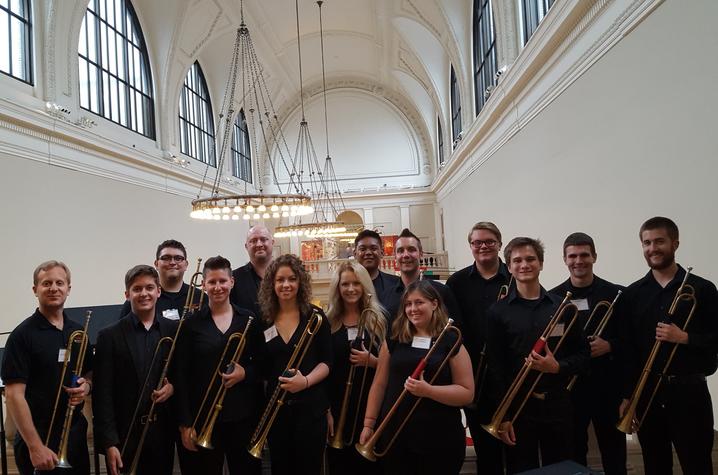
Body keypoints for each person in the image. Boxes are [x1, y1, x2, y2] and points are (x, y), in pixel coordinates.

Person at [617, 217, 718, 474]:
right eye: (647, 242)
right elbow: (628, 351)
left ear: (675, 243)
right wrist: (629, 395)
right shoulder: (632, 295)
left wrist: (684, 337)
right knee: (655, 464)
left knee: (697, 464)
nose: (653, 248)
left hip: (690, 392)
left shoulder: (703, 289)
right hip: (648, 394)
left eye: (659, 241)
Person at [486, 237, 589, 474]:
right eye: (517, 260)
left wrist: (557, 367)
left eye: (530, 259)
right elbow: (496, 368)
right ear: (509, 267)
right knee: (521, 469)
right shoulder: (497, 312)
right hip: (519, 409)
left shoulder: (563, 307)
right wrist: (504, 416)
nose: (524, 265)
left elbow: (583, 355)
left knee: (561, 469)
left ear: (541, 263)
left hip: (558, 405)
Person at [358, 280, 473, 475]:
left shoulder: (452, 341)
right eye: (408, 304)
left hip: (440, 436)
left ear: (434, 304)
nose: (413, 309)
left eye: (419, 302)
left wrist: (428, 390)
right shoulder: (394, 340)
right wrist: (368, 424)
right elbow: (379, 384)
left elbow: (467, 393)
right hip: (395, 435)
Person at [175, 256, 263, 475]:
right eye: (212, 282)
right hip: (203, 419)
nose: (217, 287)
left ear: (232, 282)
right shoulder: (191, 324)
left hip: (244, 418)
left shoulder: (248, 319)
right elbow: (181, 376)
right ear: (203, 285)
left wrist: (245, 374)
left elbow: (264, 365)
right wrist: (185, 423)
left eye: (222, 281)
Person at [2, 261, 91, 474]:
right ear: (35, 290)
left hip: (74, 436)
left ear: (68, 288)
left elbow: (89, 374)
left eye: (60, 283)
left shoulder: (78, 332)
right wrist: (35, 447)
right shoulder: (22, 335)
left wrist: (86, 387)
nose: (53, 288)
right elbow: (14, 395)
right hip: (38, 437)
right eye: (46, 283)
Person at [550, 232, 626, 474]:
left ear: (594, 256)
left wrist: (610, 345)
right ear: (564, 259)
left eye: (584, 255)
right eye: (572, 256)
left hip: (608, 387)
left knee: (614, 452)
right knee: (573, 453)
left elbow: (632, 340)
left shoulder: (616, 294)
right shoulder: (553, 298)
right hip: (571, 389)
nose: (578, 261)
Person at [93, 265, 178, 475]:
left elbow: (180, 374)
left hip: (162, 433)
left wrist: (172, 388)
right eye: (137, 289)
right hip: (125, 435)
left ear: (159, 291)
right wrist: (110, 442)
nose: (144, 293)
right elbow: (102, 395)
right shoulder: (109, 336)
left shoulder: (173, 330)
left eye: (149, 288)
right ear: (127, 294)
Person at [256, 254, 332, 475]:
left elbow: (327, 361)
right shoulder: (264, 320)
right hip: (276, 412)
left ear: (300, 282)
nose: (286, 285)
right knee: (281, 468)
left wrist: (305, 381)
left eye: (292, 279)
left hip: (311, 409)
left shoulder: (315, 317)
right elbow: (261, 365)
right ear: (272, 283)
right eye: (280, 280)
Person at [445, 221, 510, 475]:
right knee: (487, 457)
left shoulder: (515, 276)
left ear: (499, 245)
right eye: (477, 242)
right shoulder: (457, 282)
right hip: (476, 379)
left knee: (519, 454)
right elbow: (453, 331)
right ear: (471, 246)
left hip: (511, 376)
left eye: (489, 242)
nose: (483, 246)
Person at [325, 262, 387, 475]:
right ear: (337, 288)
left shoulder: (379, 320)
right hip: (336, 403)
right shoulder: (328, 321)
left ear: (365, 286)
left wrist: (373, 362)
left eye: (356, 283)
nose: (350, 289)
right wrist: (326, 410)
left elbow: (395, 366)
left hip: (370, 405)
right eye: (345, 284)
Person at [384, 229, 462, 326]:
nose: (406, 255)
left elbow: (455, 329)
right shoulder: (386, 296)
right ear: (395, 256)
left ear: (421, 254)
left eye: (411, 250)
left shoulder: (441, 291)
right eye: (400, 251)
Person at [119, 239, 196, 320]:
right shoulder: (139, 300)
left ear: (186, 264)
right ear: (156, 264)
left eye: (178, 258)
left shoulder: (200, 297)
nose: (173, 262)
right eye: (166, 258)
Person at [230, 225, 275, 317]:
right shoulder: (234, 278)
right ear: (246, 246)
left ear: (272, 242)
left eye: (263, 239)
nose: (259, 244)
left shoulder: (285, 276)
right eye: (253, 241)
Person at [353, 230, 399, 309]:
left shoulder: (396, 284)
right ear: (355, 254)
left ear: (382, 253)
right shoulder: (348, 287)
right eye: (363, 249)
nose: (368, 253)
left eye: (373, 248)